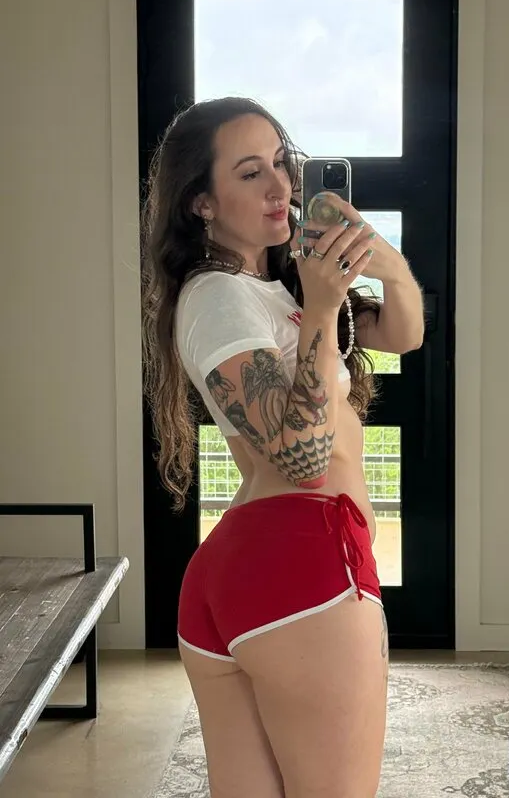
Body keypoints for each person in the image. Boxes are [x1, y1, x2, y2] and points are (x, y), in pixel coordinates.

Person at [140, 96, 425, 798]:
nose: (280, 187)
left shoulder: (274, 288)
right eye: (250, 173)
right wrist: (323, 306)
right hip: (304, 561)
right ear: (202, 202)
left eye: (281, 163)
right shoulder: (219, 298)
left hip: (250, 566)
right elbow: (302, 460)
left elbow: (403, 333)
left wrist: (385, 265)